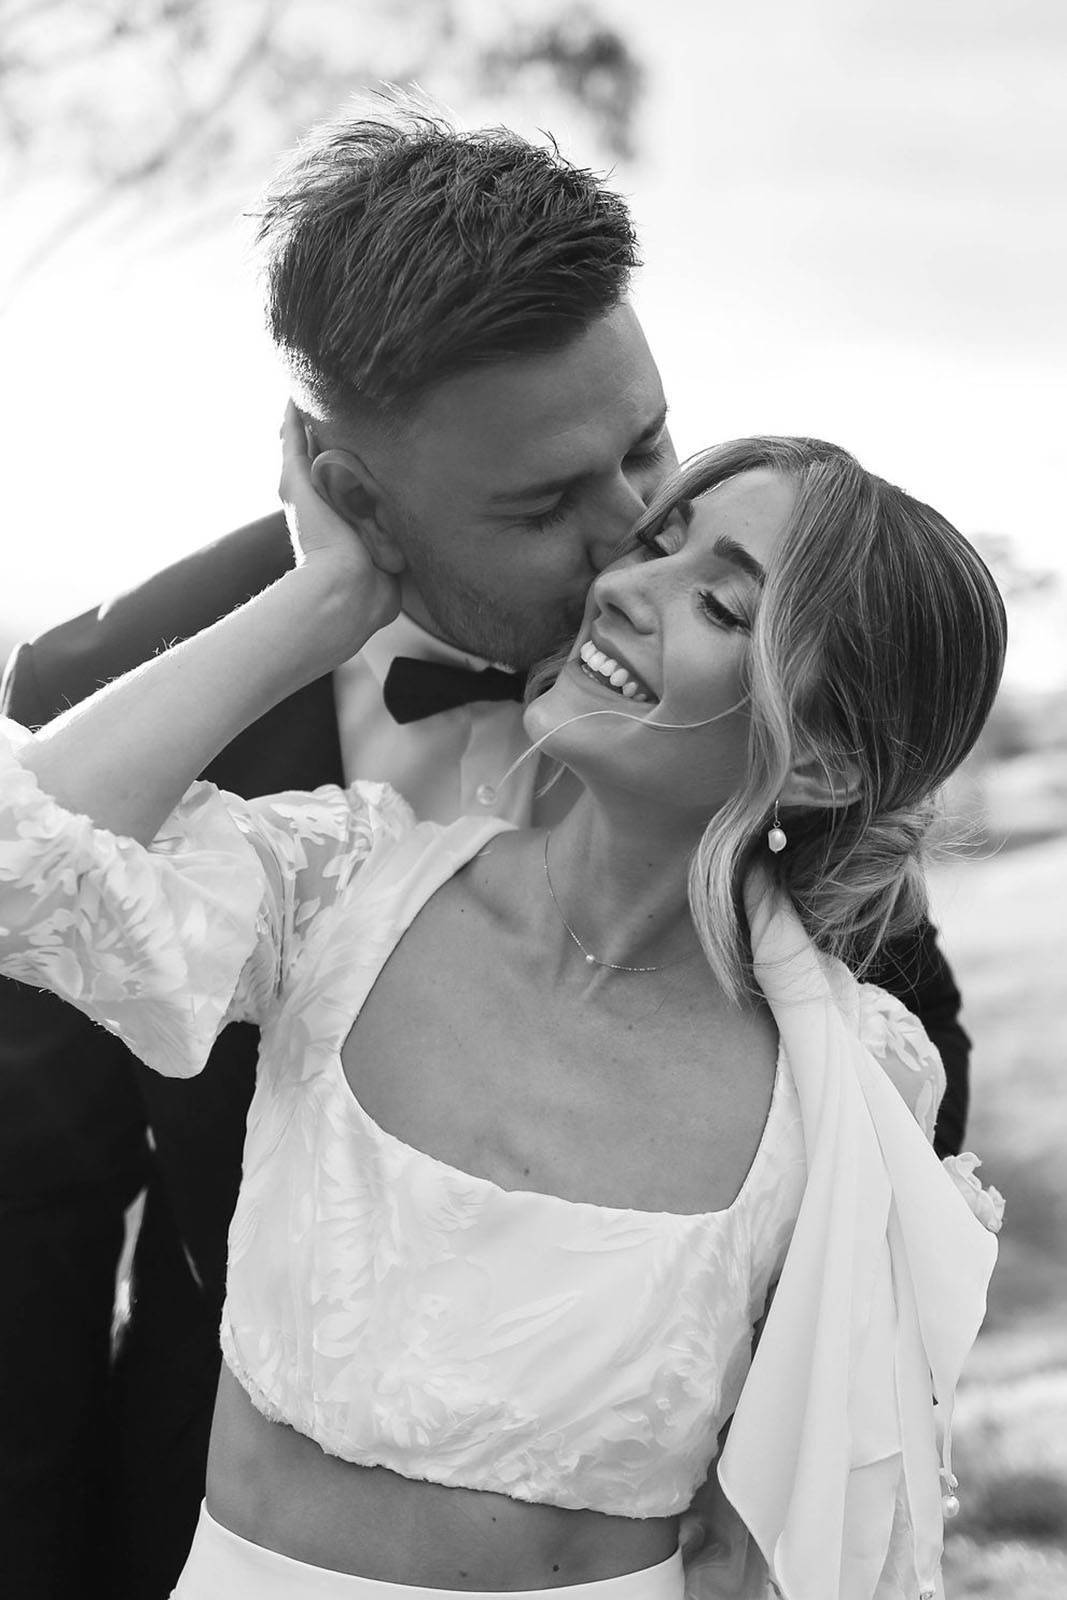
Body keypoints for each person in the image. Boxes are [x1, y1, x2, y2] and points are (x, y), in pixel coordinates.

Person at [0, 97, 972, 1600]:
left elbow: (879, 1184)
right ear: (357, 494)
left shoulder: (785, 672)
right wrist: (317, 614)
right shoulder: (165, 740)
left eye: (648, 449)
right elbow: (32, 1231)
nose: (628, 541)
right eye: (540, 510)